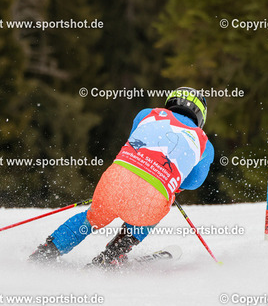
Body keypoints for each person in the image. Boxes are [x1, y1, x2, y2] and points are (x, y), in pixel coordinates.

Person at [29, 87, 214, 267]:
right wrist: (173, 184)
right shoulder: (204, 143)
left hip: (115, 180)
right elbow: (193, 182)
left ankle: (47, 251)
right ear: (200, 116)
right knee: (154, 208)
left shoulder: (147, 114)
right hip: (153, 193)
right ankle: (112, 254)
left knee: (91, 218)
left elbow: (135, 140)